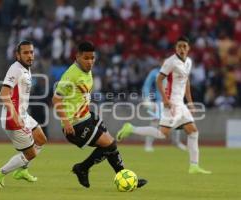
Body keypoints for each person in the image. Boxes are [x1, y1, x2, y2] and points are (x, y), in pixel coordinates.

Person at [52, 41, 147, 188]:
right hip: (75, 124)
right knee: (109, 144)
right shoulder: (71, 75)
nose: (90, 62)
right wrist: (66, 122)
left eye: (92, 58)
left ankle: (124, 177)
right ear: (77, 57)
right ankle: (82, 168)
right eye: (86, 58)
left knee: (111, 145)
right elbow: (56, 98)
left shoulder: (86, 70)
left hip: (87, 116)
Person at [117, 36, 212, 174]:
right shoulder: (170, 62)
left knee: (193, 131)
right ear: (175, 48)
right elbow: (159, 80)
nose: (182, 49)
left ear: (189, 48)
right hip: (171, 104)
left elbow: (186, 81)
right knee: (162, 134)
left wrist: (190, 102)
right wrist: (166, 100)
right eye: (179, 46)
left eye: (184, 46)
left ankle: (194, 166)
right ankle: (131, 128)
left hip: (181, 104)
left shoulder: (188, 62)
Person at [0, 41, 47, 188]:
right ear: (17, 55)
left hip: (23, 115)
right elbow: (3, 94)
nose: (30, 56)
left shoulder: (25, 68)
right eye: (25, 53)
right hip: (13, 119)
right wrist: (15, 116)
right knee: (31, 154)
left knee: (41, 139)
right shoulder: (15, 69)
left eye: (31, 52)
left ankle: (22, 170)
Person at [118, 66, 187, 152]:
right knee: (155, 122)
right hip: (160, 102)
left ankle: (176, 142)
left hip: (173, 103)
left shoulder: (173, 73)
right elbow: (146, 86)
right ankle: (148, 144)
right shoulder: (155, 72)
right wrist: (147, 98)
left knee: (176, 122)